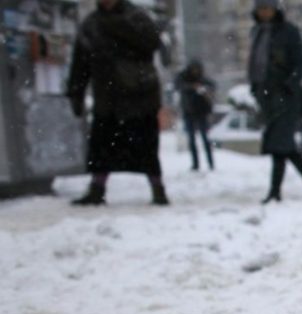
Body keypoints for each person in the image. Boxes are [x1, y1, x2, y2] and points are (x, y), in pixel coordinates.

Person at [66, 0, 169, 206]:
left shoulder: (136, 17)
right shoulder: (91, 24)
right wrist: (75, 92)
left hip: (140, 95)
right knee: (102, 145)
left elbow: (152, 42)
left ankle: (158, 188)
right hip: (108, 97)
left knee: (146, 147)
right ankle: (97, 188)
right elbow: (80, 63)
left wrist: (117, 26)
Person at [249, 0, 302, 204]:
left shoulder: (289, 32)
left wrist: (288, 84)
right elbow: (255, 65)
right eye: (261, 8)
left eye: (268, 8)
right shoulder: (256, 32)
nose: (264, 12)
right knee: (282, 145)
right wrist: (256, 88)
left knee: (279, 144)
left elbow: (301, 64)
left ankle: (276, 191)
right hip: (266, 96)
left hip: (285, 96)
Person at [174, 59, 215, 171]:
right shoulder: (184, 78)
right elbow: (178, 85)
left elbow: (212, 85)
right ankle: (195, 164)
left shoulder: (202, 79)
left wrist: (203, 88)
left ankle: (210, 164)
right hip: (189, 112)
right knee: (192, 140)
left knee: (205, 139)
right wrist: (192, 87)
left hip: (201, 112)